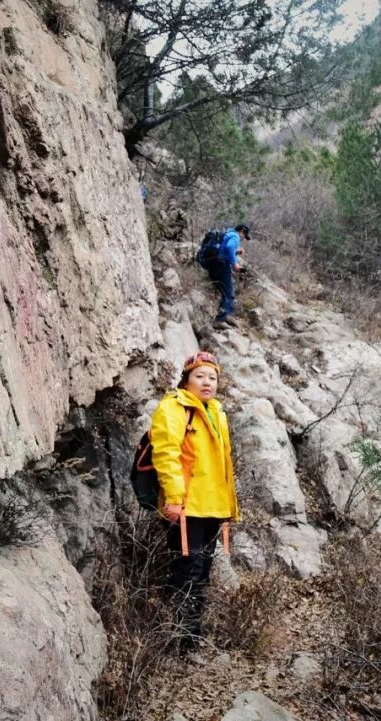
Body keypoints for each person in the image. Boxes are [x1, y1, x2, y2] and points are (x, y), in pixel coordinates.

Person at [150, 351, 240, 649]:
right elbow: (166, 454)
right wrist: (174, 498)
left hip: (213, 507)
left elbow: (223, 465)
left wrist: (229, 507)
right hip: (187, 507)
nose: (207, 382)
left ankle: (190, 637)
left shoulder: (216, 412)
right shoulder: (174, 407)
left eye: (212, 377)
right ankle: (168, 636)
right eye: (200, 376)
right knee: (186, 571)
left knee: (201, 573)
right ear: (186, 379)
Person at [206, 224, 249, 329]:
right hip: (221, 266)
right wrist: (234, 264)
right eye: (244, 235)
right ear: (241, 231)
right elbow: (229, 247)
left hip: (214, 264)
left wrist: (236, 252)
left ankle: (227, 315)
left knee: (228, 292)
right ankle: (220, 320)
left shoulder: (227, 234)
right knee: (228, 293)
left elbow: (224, 250)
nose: (243, 238)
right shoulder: (235, 236)